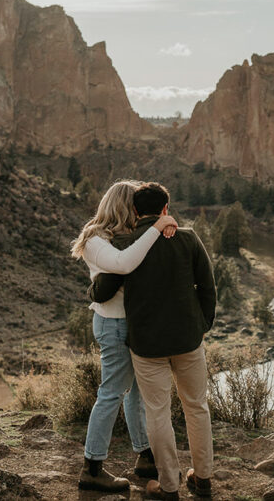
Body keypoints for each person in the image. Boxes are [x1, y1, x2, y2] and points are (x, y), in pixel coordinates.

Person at [90, 182, 216, 500]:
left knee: (157, 412)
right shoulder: (187, 237)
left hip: (147, 345)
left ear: (134, 210)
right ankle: (203, 479)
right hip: (188, 340)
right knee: (197, 407)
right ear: (165, 209)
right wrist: (202, 325)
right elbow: (208, 285)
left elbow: (105, 288)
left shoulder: (126, 244)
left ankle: (168, 486)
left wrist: (91, 292)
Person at [70, 179, 178, 493]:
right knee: (111, 393)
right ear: (124, 206)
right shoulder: (95, 239)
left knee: (137, 395)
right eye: (136, 207)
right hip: (114, 325)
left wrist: (162, 229)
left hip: (134, 324)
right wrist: (157, 228)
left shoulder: (125, 236)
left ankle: (145, 456)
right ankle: (92, 468)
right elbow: (124, 265)